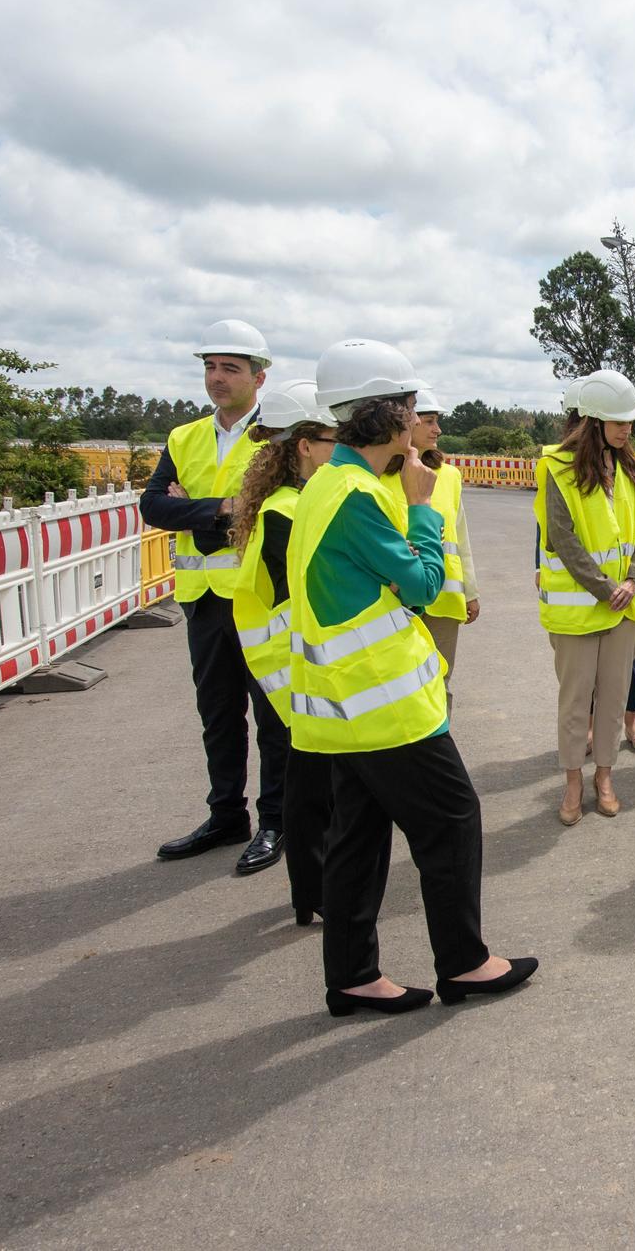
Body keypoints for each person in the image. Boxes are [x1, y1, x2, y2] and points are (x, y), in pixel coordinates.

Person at [294, 338, 535, 1016]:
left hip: (345, 705)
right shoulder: (362, 497)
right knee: (452, 818)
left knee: (359, 840)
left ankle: (352, 974)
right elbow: (426, 585)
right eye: (408, 409)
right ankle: (464, 962)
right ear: (386, 418)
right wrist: (424, 509)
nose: (416, 421)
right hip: (385, 705)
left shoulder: (330, 485)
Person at [143, 319, 287, 875]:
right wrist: (225, 508)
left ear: (259, 376)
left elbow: (272, 515)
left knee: (274, 715)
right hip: (202, 597)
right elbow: (154, 507)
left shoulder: (276, 436)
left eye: (230, 368)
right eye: (210, 366)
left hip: (259, 595)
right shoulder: (184, 438)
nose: (217, 378)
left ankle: (276, 820)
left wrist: (198, 508)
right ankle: (227, 814)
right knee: (219, 713)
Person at [228, 378, 340, 925]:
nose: (337, 448)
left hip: (287, 659)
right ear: (303, 445)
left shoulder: (283, 503)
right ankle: (315, 889)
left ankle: (309, 892)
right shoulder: (290, 511)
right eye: (329, 438)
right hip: (295, 662)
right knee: (313, 781)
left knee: (308, 777)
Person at [537, 370, 635, 825]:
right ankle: (572, 783)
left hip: (626, 608)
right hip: (579, 611)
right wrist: (607, 589)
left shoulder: (634, 468)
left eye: (630, 421)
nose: (627, 429)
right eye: (618, 421)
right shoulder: (557, 467)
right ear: (593, 421)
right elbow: (563, 540)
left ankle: (604, 777)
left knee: (613, 698)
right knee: (575, 701)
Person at [404, 390, 481, 695]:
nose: (438, 430)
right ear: (407, 422)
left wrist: (470, 592)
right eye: (429, 421)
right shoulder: (382, 476)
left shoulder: (448, 475)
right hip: (400, 600)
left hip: (444, 600)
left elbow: (460, 538)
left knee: (440, 683)